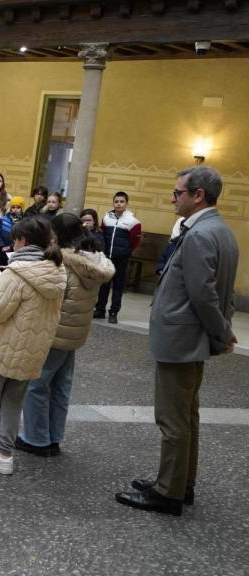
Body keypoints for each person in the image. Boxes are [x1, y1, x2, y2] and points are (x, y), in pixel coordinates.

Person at [115, 165, 239, 517]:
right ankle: (181, 482)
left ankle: (168, 492)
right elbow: (221, 291)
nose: (172, 198)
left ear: (198, 195)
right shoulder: (221, 230)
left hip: (182, 340)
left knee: (172, 420)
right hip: (191, 338)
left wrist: (221, 333)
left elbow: (204, 295)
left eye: (178, 192)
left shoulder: (200, 234)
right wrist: (221, 329)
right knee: (187, 415)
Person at [0, 217, 65, 475]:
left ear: (22, 240)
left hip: (7, 344)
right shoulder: (56, 270)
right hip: (33, 347)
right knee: (14, 400)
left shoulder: (17, 272)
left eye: (14, 239)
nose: (12, 244)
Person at [16, 213, 114, 456]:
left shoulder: (64, 263)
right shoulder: (93, 260)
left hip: (56, 332)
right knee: (60, 386)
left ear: (57, 234)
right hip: (74, 334)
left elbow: (51, 295)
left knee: (36, 385)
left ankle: (35, 439)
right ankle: (53, 437)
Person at [94, 191, 142, 323]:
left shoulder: (133, 222)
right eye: (116, 201)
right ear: (113, 203)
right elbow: (102, 236)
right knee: (104, 284)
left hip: (121, 258)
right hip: (106, 257)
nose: (119, 204)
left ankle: (113, 312)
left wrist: (125, 251)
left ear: (126, 203)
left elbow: (135, 241)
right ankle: (100, 310)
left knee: (118, 286)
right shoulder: (106, 218)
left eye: (122, 202)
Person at [0, 196, 25, 267]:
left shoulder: (24, 222)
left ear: (22, 208)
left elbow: (23, 238)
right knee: (1, 269)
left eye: (18, 207)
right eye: (13, 207)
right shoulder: (3, 219)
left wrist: (11, 247)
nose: (15, 209)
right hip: (2, 252)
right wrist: (1, 246)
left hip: (16, 253)